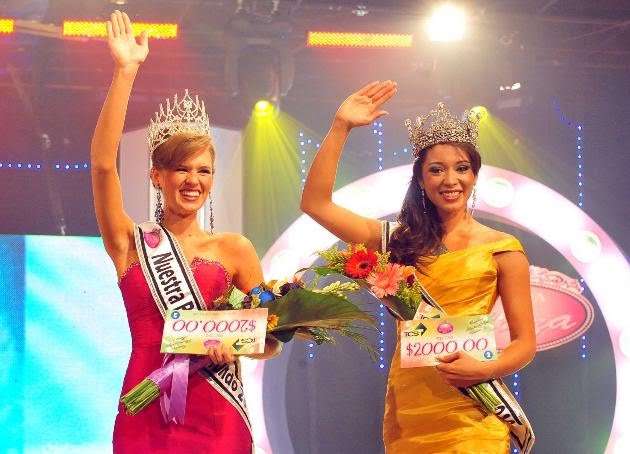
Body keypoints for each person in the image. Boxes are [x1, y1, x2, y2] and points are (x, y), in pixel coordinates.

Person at [300, 81, 536, 453]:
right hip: (411, 408)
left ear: (475, 175)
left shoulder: (503, 250)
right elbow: (315, 203)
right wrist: (340, 127)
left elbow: (525, 343)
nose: (450, 180)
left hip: (472, 405)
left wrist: (485, 370)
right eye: (437, 170)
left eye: (461, 168)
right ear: (422, 179)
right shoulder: (398, 241)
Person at [91, 11, 280, 453]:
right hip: (144, 406)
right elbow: (102, 166)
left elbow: (269, 340)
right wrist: (125, 72)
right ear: (157, 176)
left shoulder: (235, 249)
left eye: (204, 170)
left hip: (216, 407)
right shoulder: (129, 243)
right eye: (181, 169)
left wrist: (234, 346)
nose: (193, 180)